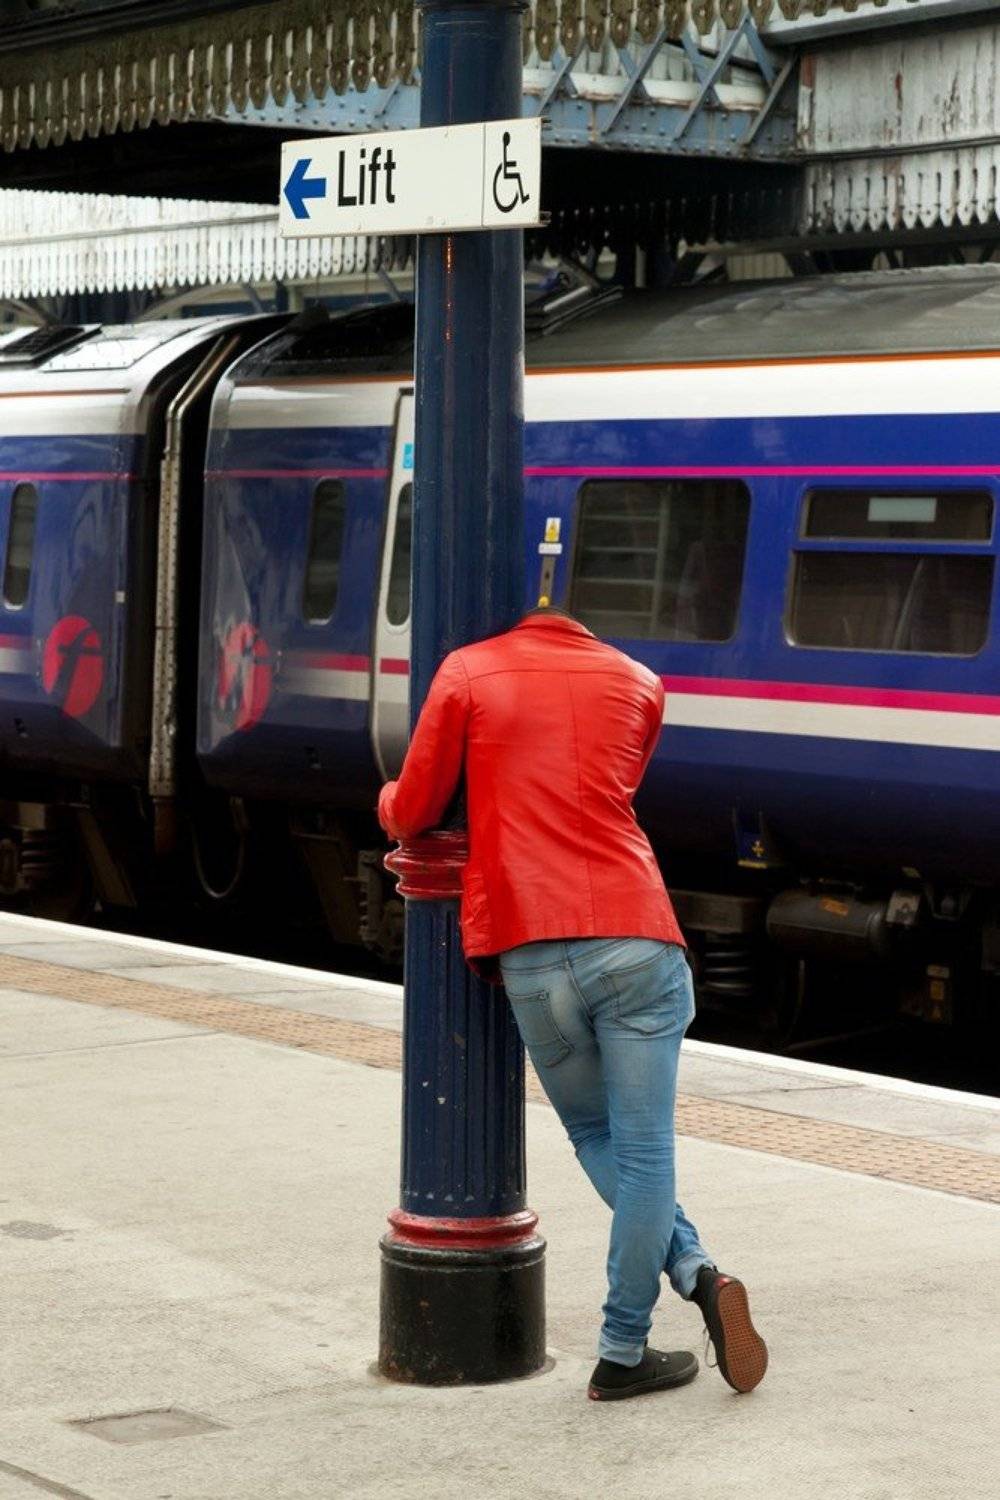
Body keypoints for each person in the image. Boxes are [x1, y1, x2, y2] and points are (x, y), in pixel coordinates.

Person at [378, 605, 767, 1402]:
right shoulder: (641, 682)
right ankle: (629, 1341)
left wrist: (389, 801)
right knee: (646, 1152)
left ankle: (692, 1280)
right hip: (636, 936)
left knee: (594, 1134)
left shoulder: (467, 670)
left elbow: (414, 808)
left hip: (530, 945)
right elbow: (609, 789)